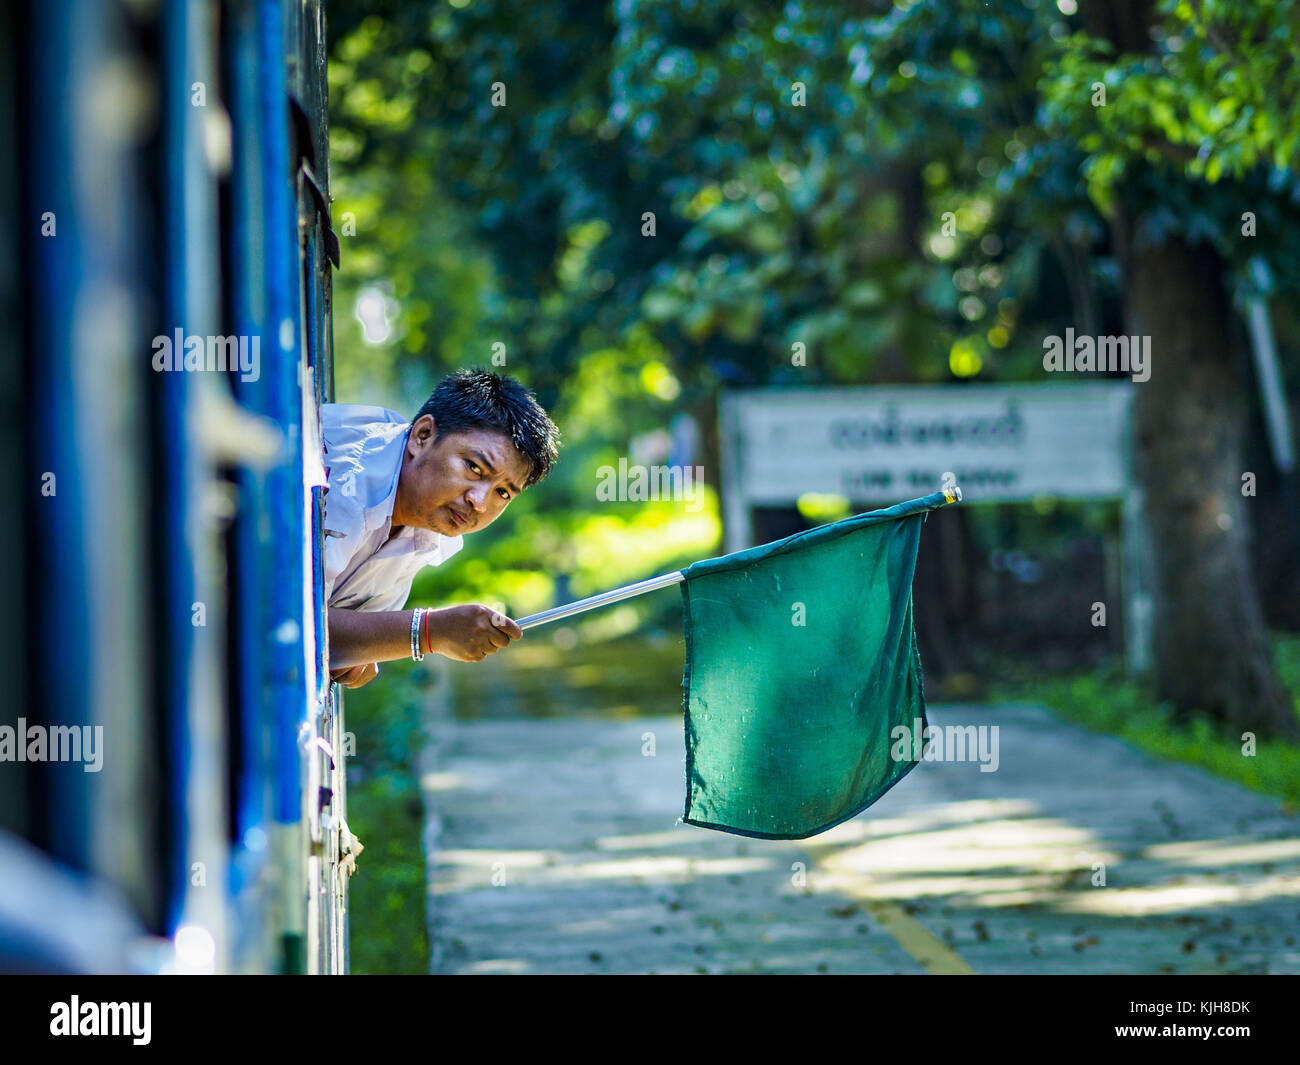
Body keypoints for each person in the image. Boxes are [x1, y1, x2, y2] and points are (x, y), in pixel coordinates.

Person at [322, 368, 560, 688]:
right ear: (423, 436)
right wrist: (430, 632)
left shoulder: (426, 526)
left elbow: (339, 640)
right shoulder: (342, 484)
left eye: (502, 493)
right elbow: (286, 623)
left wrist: (358, 651)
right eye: (474, 468)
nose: (479, 501)